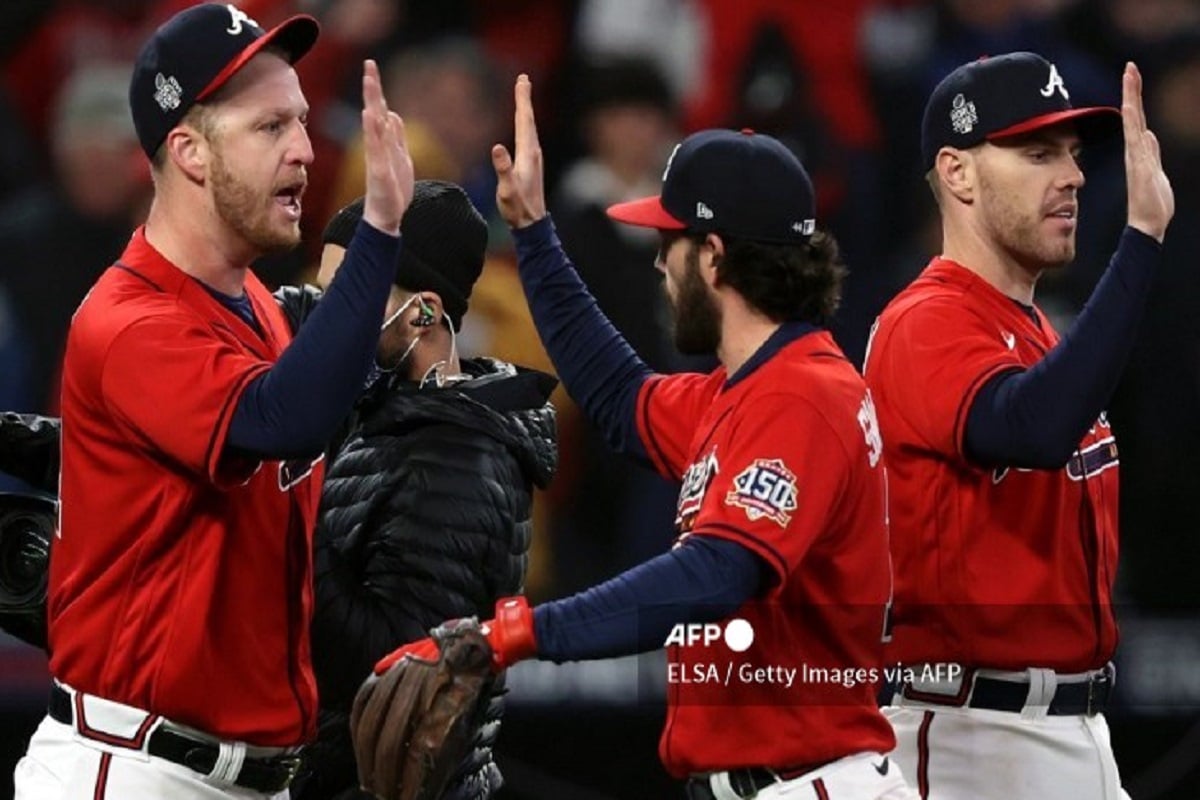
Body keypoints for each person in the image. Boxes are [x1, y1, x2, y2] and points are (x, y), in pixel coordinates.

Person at [376, 75, 917, 800]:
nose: (660, 264)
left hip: (804, 781)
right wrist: (535, 233)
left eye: (670, 242)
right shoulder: (746, 391)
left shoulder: (802, 397)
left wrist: (510, 635)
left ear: (715, 256)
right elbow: (617, 396)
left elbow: (712, 574)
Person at [13, 2, 415, 798]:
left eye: (301, 122)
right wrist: (380, 228)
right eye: (270, 128)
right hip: (133, 768)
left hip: (245, 770)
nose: (305, 150)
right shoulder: (128, 320)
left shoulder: (259, 309)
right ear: (190, 152)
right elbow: (283, 420)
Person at [862, 53, 1173, 798]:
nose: (1072, 175)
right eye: (1037, 153)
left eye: (1072, 154)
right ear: (959, 174)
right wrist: (1140, 240)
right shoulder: (925, 322)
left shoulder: (1034, 331)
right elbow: (1029, 428)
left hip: (1067, 727)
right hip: (975, 737)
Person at [294, 182, 558, 800]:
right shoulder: (378, 413)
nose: (322, 318)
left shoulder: (455, 456)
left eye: (346, 297)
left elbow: (392, 667)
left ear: (421, 314)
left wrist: (284, 512)